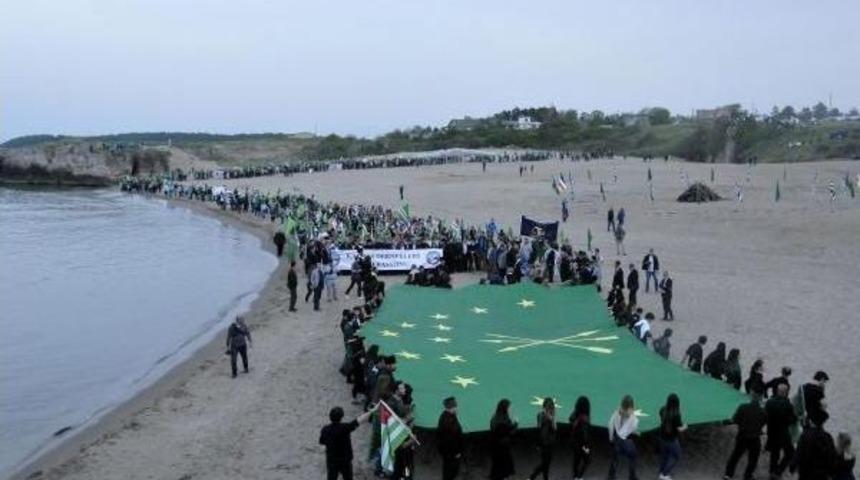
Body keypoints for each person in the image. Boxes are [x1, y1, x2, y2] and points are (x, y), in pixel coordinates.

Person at [319, 406, 375, 480]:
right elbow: (359, 420)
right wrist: (372, 411)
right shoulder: (345, 428)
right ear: (341, 417)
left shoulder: (325, 429)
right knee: (348, 477)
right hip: (345, 459)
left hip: (332, 460)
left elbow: (322, 442)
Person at [723, 390, 766, 480]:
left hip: (742, 436)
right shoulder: (762, 412)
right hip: (754, 438)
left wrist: (726, 421)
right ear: (761, 398)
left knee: (735, 456)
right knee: (753, 459)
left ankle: (728, 475)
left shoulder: (743, 407)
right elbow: (763, 423)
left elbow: (735, 420)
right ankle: (748, 475)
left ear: (751, 396)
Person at [794, 410, 838, 480]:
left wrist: (793, 466)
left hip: (806, 474)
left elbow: (798, 454)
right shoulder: (827, 437)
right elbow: (832, 457)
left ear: (811, 422)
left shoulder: (804, 436)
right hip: (822, 476)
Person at [765, 383, 797, 479]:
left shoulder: (769, 402)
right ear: (786, 393)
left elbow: (765, 417)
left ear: (777, 391)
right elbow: (792, 420)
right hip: (783, 433)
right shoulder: (788, 405)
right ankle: (778, 471)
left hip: (771, 431)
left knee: (774, 454)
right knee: (790, 453)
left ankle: (772, 472)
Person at [608, 394, 639, 480]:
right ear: (631, 406)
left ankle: (611, 476)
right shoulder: (634, 419)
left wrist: (611, 438)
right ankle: (632, 477)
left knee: (615, 459)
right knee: (633, 456)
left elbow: (610, 425)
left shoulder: (616, 412)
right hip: (625, 442)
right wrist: (635, 432)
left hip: (616, 439)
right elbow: (632, 429)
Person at [658, 393, 687, 480]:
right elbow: (680, 429)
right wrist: (686, 426)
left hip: (662, 437)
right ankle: (664, 473)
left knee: (664, 456)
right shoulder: (676, 415)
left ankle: (661, 471)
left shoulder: (663, 410)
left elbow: (661, 416)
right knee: (676, 455)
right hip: (671, 439)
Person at [528, 398, 557, 480]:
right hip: (544, 442)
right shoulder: (541, 415)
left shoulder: (552, 415)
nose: (550, 408)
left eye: (551, 406)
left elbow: (555, 428)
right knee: (545, 462)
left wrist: (552, 419)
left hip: (550, 442)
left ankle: (536, 477)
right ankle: (532, 476)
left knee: (546, 462)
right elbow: (539, 429)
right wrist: (538, 444)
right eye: (549, 406)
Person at [489, 399, 517, 480]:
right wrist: (515, 424)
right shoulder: (502, 422)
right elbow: (510, 431)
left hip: (498, 447)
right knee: (501, 468)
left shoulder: (496, 417)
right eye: (509, 407)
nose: (510, 409)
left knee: (498, 467)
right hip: (501, 448)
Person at [437, 397, 464, 480]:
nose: (457, 408)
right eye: (456, 406)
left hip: (448, 452)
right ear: (452, 408)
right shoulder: (448, 421)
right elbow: (451, 440)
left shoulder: (447, 416)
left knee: (449, 470)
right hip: (451, 453)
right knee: (450, 471)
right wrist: (457, 452)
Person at [569, 396, 592, 480]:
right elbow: (585, 436)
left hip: (575, 442)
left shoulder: (575, 414)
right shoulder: (585, 419)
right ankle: (579, 476)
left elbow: (570, 419)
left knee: (576, 460)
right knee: (587, 459)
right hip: (582, 445)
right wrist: (587, 447)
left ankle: (575, 476)